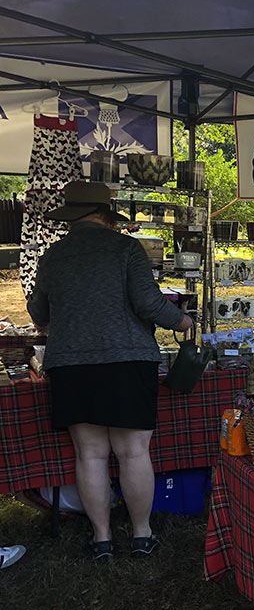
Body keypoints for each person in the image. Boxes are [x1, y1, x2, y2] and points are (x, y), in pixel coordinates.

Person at [26, 181, 194, 561]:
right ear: (105, 215)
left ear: (72, 217)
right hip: (127, 359)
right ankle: (140, 534)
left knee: (89, 454)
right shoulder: (125, 248)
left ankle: (101, 538)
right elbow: (149, 303)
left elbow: (38, 314)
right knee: (133, 452)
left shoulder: (53, 256)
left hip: (71, 362)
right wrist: (183, 322)